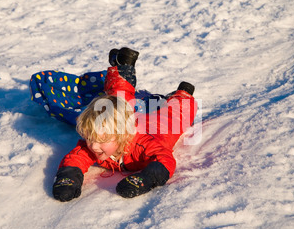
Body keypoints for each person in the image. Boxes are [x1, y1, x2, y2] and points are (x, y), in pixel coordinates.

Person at [52, 47, 197, 201]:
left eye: (100, 140)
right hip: (126, 118)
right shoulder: (97, 146)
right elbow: (76, 158)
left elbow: (164, 159)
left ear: (122, 136)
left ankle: (182, 95)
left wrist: (146, 178)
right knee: (118, 100)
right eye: (89, 138)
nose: (93, 146)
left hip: (155, 126)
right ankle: (122, 67)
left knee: (174, 118)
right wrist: (68, 179)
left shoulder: (144, 145)